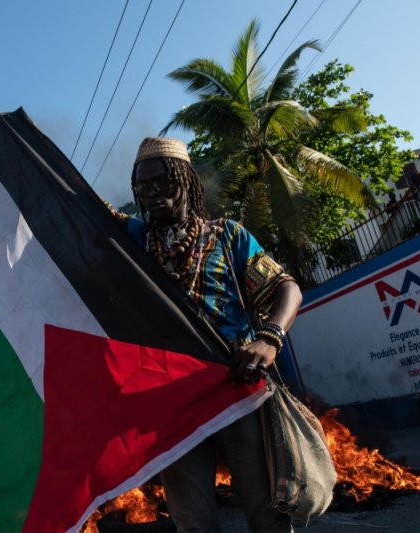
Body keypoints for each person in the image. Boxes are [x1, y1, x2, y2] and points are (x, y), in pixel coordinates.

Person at [116, 137, 303, 532]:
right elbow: (78, 209)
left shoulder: (228, 236)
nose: (152, 194)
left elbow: (287, 288)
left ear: (187, 179)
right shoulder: (132, 240)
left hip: (237, 388)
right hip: (171, 401)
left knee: (266, 510)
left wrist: (269, 338)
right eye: (143, 186)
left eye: (162, 182)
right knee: (193, 521)